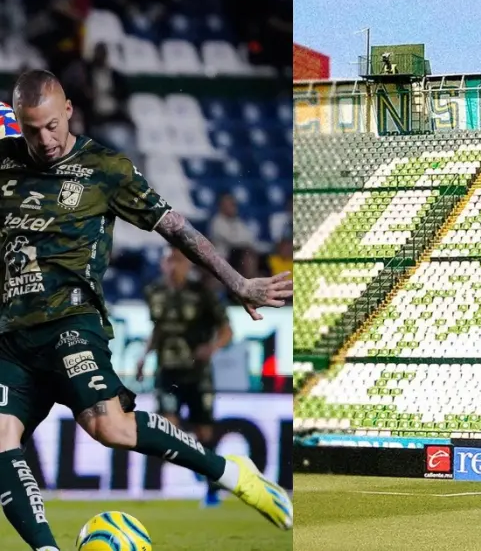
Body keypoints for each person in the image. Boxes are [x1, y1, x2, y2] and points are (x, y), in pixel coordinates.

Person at [0, 70, 292, 551]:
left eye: (52, 125)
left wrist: (238, 282)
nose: (45, 139)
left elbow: (176, 229)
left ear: (68, 110)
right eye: (32, 130)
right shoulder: (6, 163)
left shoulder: (106, 168)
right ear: (17, 123)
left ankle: (230, 473)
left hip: (71, 325)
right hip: (11, 334)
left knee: (110, 428)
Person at [136, 247, 233, 508]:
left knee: (205, 432)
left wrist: (211, 348)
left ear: (188, 265)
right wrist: (144, 357)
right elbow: (157, 328)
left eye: (178, 260)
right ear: (161, 264)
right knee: (168, 428)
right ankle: (196, 462)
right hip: (167, 371)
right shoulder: (153, 292)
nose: (173, 266)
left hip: (197, 373)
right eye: (168, 260)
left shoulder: (203, 294)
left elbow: (226, 330)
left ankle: (211, 486)